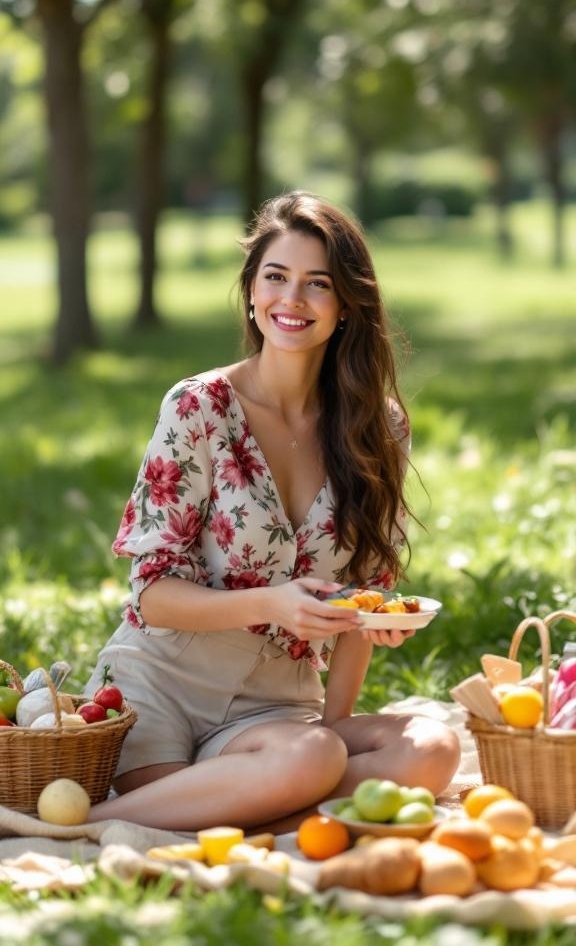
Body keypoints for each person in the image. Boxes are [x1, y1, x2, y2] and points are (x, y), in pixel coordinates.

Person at [86, 191, 460, 831]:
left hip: (276, 712)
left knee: (432, 749)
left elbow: (363, 593)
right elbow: (151, 594)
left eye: (318, 284)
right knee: (313, 760)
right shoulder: (197, 408)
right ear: (252, 291)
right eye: (276, 277)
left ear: (346, 305)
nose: (292, 300)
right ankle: (84, 825)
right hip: (163, 689)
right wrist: (273, 603)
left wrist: (340, 715)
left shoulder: (380, 429)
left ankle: (255, 798)